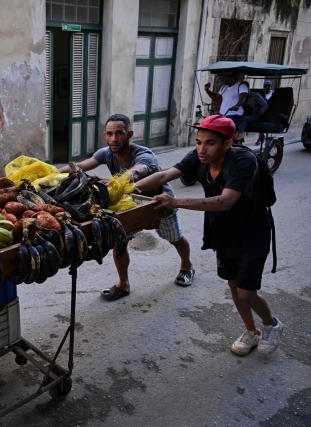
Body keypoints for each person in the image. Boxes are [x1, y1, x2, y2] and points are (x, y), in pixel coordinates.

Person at [135, 115, 283, 356]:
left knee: (246, 291)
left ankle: (271, 324)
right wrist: (127, 187)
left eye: (210, 143)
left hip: (252, 233)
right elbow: (163, 176)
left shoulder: (243, 161)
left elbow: (226, 202)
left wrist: (175, 202)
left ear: (227, 144)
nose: (201, 149)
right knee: (233, 285)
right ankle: (250, 331)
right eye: (198, 142)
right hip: (222, 231)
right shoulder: (198, 156)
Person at [60, 113, 194, 301]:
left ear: (129, 134)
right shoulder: (106, 152)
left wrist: (118, 182)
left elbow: (138, 171)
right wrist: (50, 173)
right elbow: (81, 166)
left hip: (157, 202)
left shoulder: (143, 154)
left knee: (175, 238)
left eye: (119, 133)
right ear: (105, 135)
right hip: (127, 203)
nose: (114, 138)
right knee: (119, 242)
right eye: (110, 134)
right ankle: (123, 285)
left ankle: (187, 267)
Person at [204, 73, 250, 139]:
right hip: (223, 115)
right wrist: (207, 90)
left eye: (225, 77)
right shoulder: (224, 87)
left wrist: (237, 105)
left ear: (233, 77)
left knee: (227, 135)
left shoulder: (241, 85)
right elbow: (216, 98)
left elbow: (243, 97)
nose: (223, 79)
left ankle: (236, 141)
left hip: (235, 115)